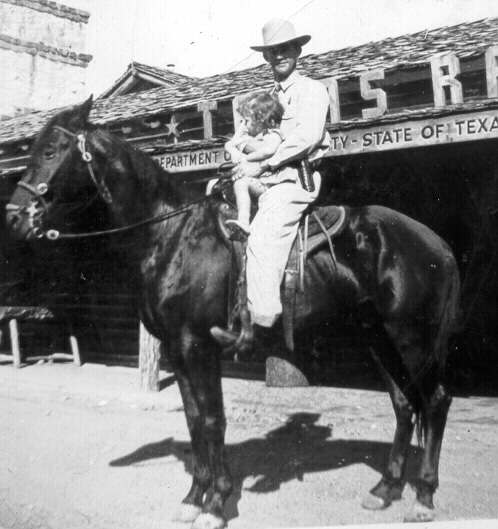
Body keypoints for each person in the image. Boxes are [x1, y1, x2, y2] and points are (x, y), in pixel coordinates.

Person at [211, 18, 331, 352]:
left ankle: (260, 325)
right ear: (266, 57)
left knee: (262, 236)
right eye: (272, 51)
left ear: (297, 50)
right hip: (262, 176)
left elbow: (306, 138)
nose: (279, 56)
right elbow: (240, 136)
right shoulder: (264, 99)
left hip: (294, 178)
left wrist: (265, 162)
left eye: (285, 49)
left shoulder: (312, 90)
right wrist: (233, 149)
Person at [225, 91, 285, 237]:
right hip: (257, 180)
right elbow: (229, 144)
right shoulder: (252, 136)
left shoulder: (274, 135)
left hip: (269, 184)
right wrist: (235, 153)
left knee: (241, 183)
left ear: (265, 121)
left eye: (247, 121)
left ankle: (244, 222)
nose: (244, 125)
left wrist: (248, 158)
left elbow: (269, 151)